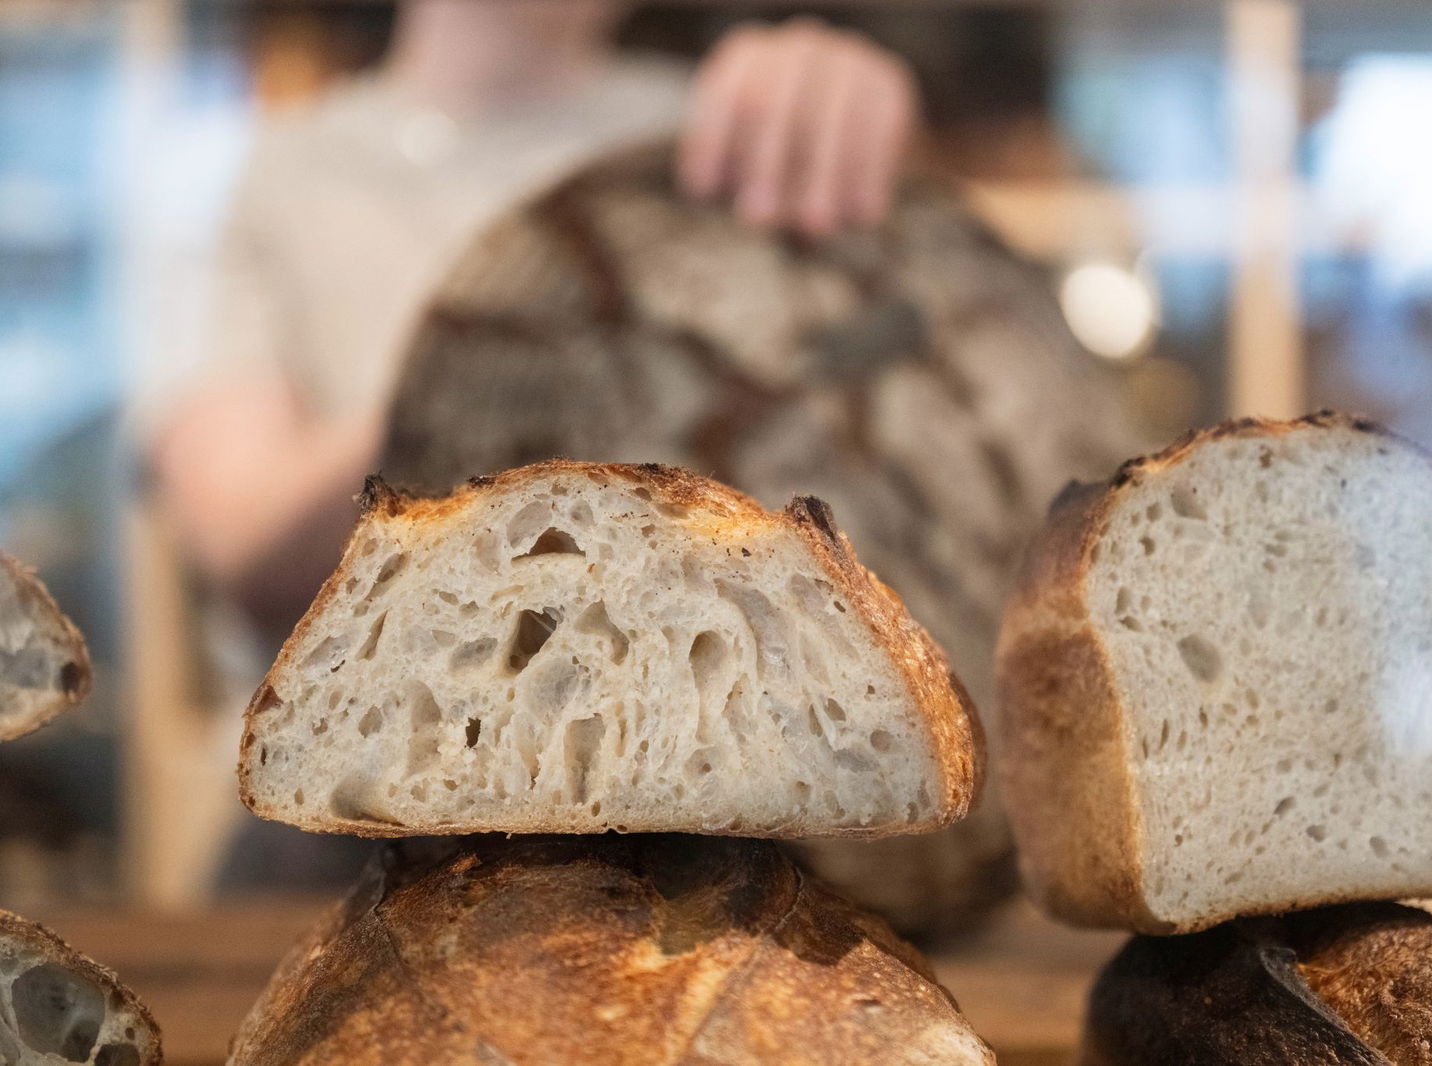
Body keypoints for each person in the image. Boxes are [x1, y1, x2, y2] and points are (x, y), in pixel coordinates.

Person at [137, 0, 920, 892]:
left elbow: (874, 474)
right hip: (362, 812)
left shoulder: (717, 138)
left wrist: (849, 103)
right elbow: (242, 535)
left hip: (699, 801)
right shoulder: (279, 171)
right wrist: (501, 364)